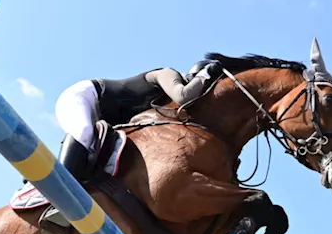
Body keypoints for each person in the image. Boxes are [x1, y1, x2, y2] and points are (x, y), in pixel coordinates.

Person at [52, 61, 223, 180]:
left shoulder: (167, 108)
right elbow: (184, 96)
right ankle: (57, 191)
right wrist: (205, 75)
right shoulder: (167, 73)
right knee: (83, 132)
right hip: (85, 96)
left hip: (102, 117)